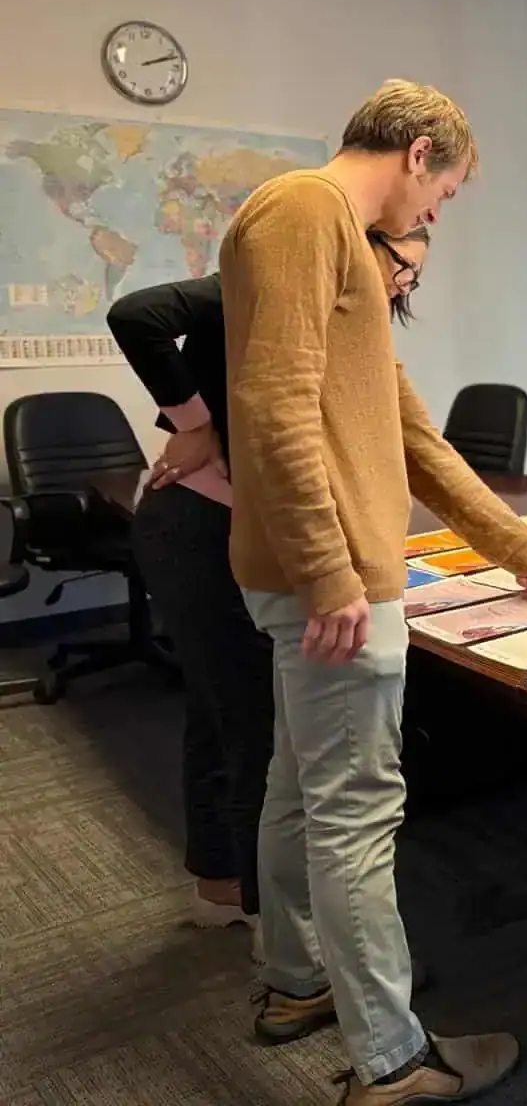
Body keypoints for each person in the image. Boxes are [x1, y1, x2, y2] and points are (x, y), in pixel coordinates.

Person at [219, 79, 527, 1104]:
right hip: (329, 580)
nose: (430, 219)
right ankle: (393, 1060)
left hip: (313, 575)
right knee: (355, 814)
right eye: (444, 195)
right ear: (419, 153)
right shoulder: (305, 209)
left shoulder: (344, 255)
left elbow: (413, 437)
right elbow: (271, 402)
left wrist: (515, 545)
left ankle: (296, 982)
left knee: (301, 788)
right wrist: (333, 570)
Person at [108, 227, 431, 945]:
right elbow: (136, 315)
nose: (405, 284)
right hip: (200, 529)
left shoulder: (338, 325)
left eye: (415, 278)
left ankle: (222, 886)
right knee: (256, 727)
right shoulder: (265, 290)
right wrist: (194, 424)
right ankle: (278, 933)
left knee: (220, 712)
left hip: (203, 526)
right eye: (402, 265)